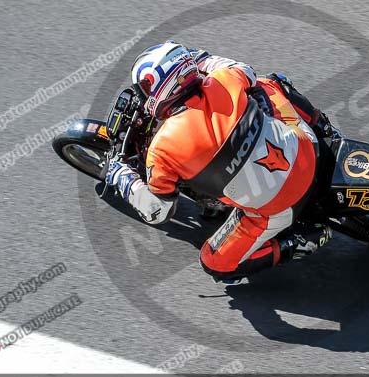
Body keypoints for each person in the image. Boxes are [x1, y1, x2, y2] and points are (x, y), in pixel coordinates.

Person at [105, 42, 334, 284]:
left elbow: (158, 211)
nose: (143, 97)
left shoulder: (161, 149)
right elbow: (246, 71)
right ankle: (322, 125)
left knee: (215, 263)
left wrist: (122, 177)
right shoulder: (225, 80)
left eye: (144, 89)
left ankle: (297, 242)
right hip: (308, 148)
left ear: (159, 87)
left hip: (279, 210)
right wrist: (200, 59)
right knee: (269, 84)